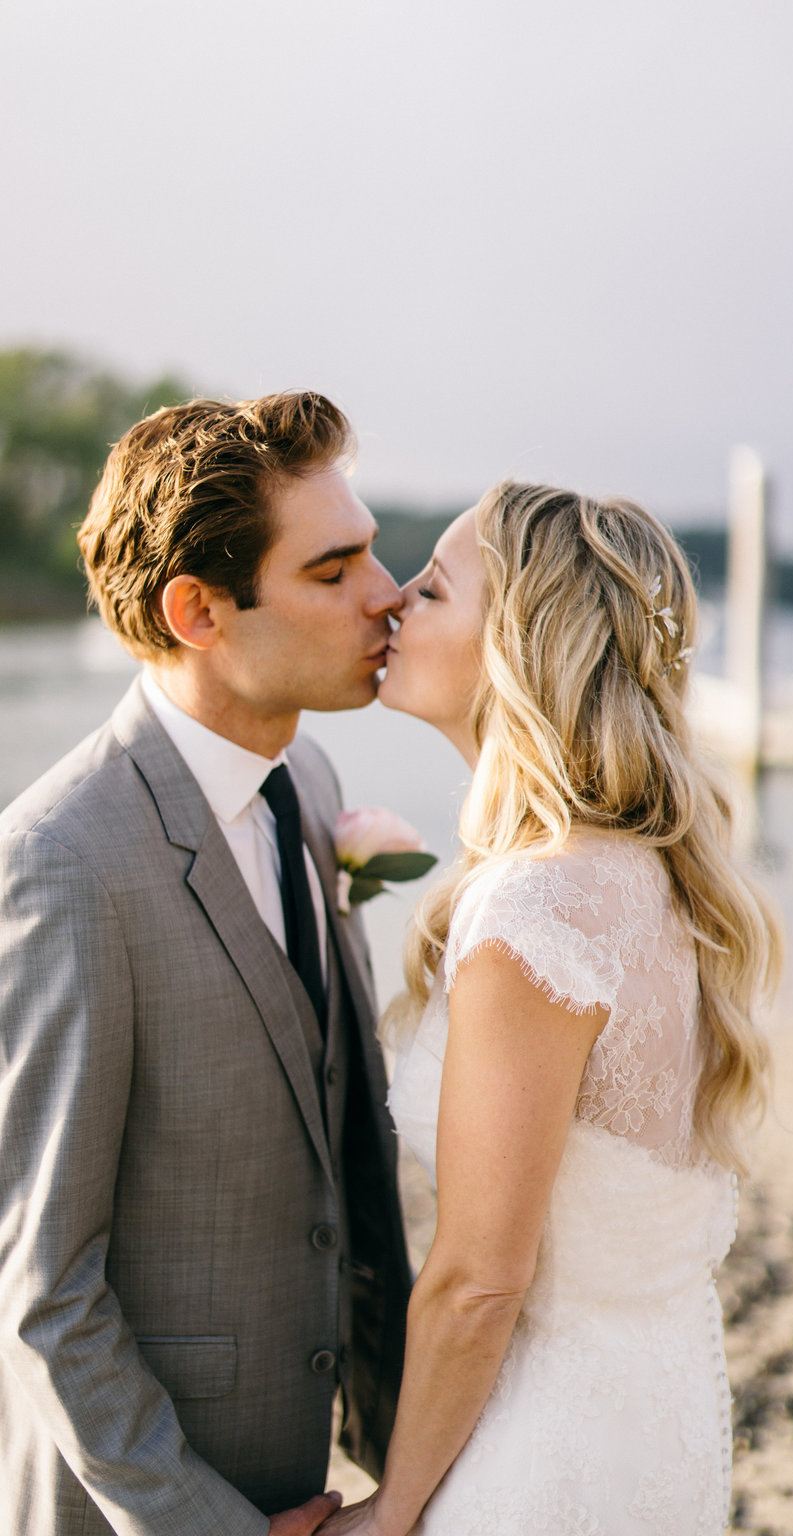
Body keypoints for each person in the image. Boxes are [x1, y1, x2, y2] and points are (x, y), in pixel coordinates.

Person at [319, 481, 782, 1535]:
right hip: (658, 1418)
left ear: (515, 644)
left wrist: (387, 1514)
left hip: (545, 1460)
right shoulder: (654, 872)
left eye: (431, 590)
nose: (393, 604)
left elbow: (479, 1282)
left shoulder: (532, 914)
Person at [0, 392, 412, 1536]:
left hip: (316, 1486)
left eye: (371, 553)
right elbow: (43, 1292)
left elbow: (349, 1181)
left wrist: (410, 1474)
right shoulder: (63, 860)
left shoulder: (313, 784)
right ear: (198, 610)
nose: (385, 594)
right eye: (332, 573)